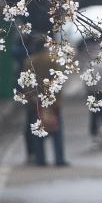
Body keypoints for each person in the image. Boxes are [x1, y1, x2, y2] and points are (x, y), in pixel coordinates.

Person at [21, 37, 68, 166]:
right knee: (56, 130)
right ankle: (59, 158)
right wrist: (57, 99)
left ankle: (40, 159)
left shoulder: (29, 61)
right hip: (53, 100)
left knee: (38, 131)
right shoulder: (53, 59)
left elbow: (27, 84)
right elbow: (59, 80)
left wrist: (31, 98)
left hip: (36, 101)